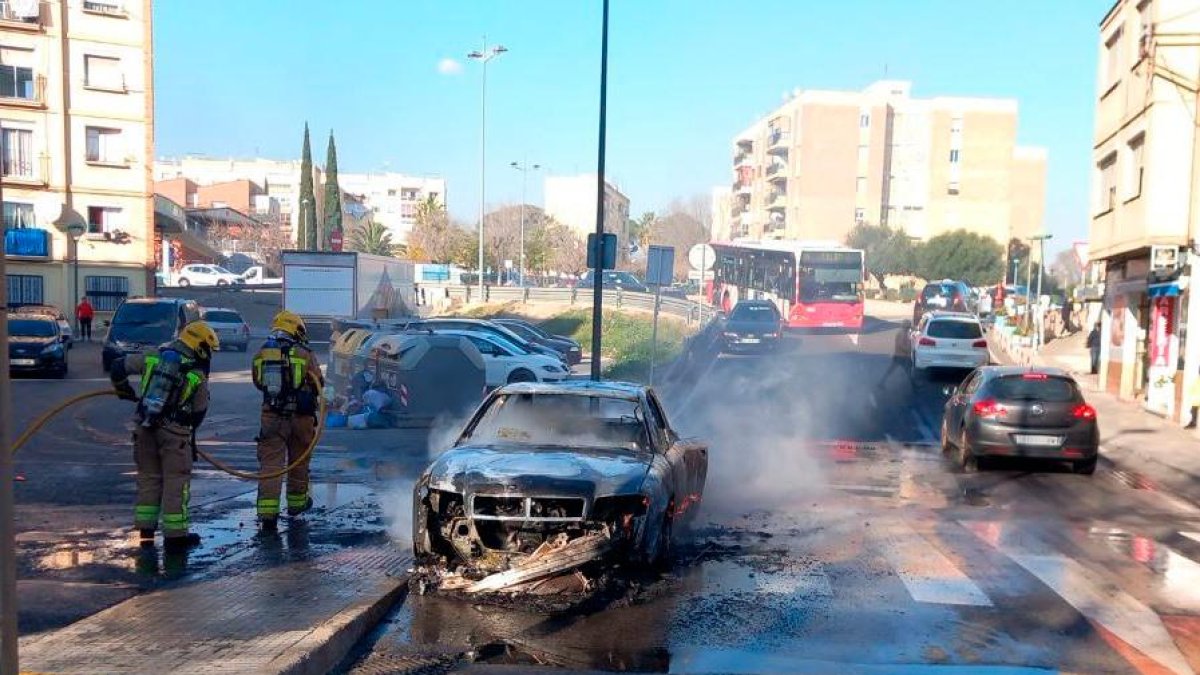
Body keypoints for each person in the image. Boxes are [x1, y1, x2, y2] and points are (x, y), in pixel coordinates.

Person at [110, 321, 217, 551]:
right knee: (175, 482)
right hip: (174, 434)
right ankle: (175, 535)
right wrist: (185, 428)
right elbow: (199, 411)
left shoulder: (153, 356)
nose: (209, 355)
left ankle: (146, 532)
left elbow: (117, 367)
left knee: (148, 478)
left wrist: (123, 391)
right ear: (199, 347)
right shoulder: (196, 372)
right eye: (208, 350)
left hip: (144, 428)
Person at [251, 310, 324, 532]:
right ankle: (296, 506)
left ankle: (267, 515)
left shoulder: (264, 351)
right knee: (298, 462)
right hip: (301, 418)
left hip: (272, 416)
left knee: (271, 466)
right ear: (296, 329)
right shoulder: (305, 353)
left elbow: (257, 381)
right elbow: (319, 382)